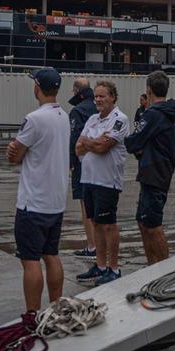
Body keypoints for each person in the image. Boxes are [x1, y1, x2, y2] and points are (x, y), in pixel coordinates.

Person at [5, 68, 70, 311]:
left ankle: (31, 315)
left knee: (30, 260)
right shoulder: (63, 115)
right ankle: (55, 308)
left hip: (33, 201)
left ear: (37, 88)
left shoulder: (34, 118)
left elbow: (16, 155)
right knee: (51, 254)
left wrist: (13, 149)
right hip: (55, 201)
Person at [74, 80, 129, 285]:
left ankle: (113, 268)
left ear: (113, 97)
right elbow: (78, 148)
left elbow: (103, 148)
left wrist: (89, 143)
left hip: (107, 181)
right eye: (96, 96)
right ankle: (100, 266)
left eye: (102, 96)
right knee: (96, 223)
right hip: (88, 178)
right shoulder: (92, 119)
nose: (98, 100)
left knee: (108, 225)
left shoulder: (119, 119)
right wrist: (92, 143)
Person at [123, 70, 175, 264]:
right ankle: (152, 266)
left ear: (148, 91)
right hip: (158, 171)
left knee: (153, 225)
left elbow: (132, 142)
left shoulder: (153, 114)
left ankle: (163, 269)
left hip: (154, 174)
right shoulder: (170, 113)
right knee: (143, 221)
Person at [67, 78, 99, 260]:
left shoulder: (77, 110)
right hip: (100, 163)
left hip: (82, 163)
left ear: (78, 91)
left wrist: (71, 160)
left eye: (73, 90)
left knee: (85, 206)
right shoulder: (99, 108)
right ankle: (99, 247)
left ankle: (92, 246)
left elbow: (75, 138)